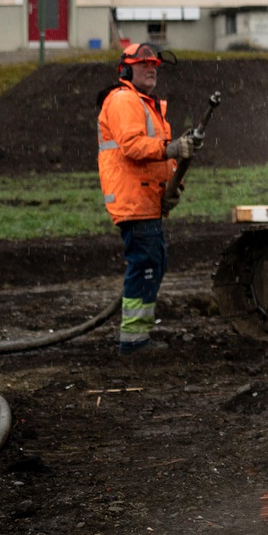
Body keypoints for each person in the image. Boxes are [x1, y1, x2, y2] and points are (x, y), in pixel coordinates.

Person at [97, 43, 198, 354]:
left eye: (154, 64)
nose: (151, 68)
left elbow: (159, 160)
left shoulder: (145, 104)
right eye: (143, 64)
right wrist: (171, 149)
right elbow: (133, 147)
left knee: (152, 263)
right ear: (126, 70)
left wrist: (173, 189)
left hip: (145, 201)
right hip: (134, 202)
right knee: (146, 266)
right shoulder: (125, 99)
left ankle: (136, 337)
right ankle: (134, 342)